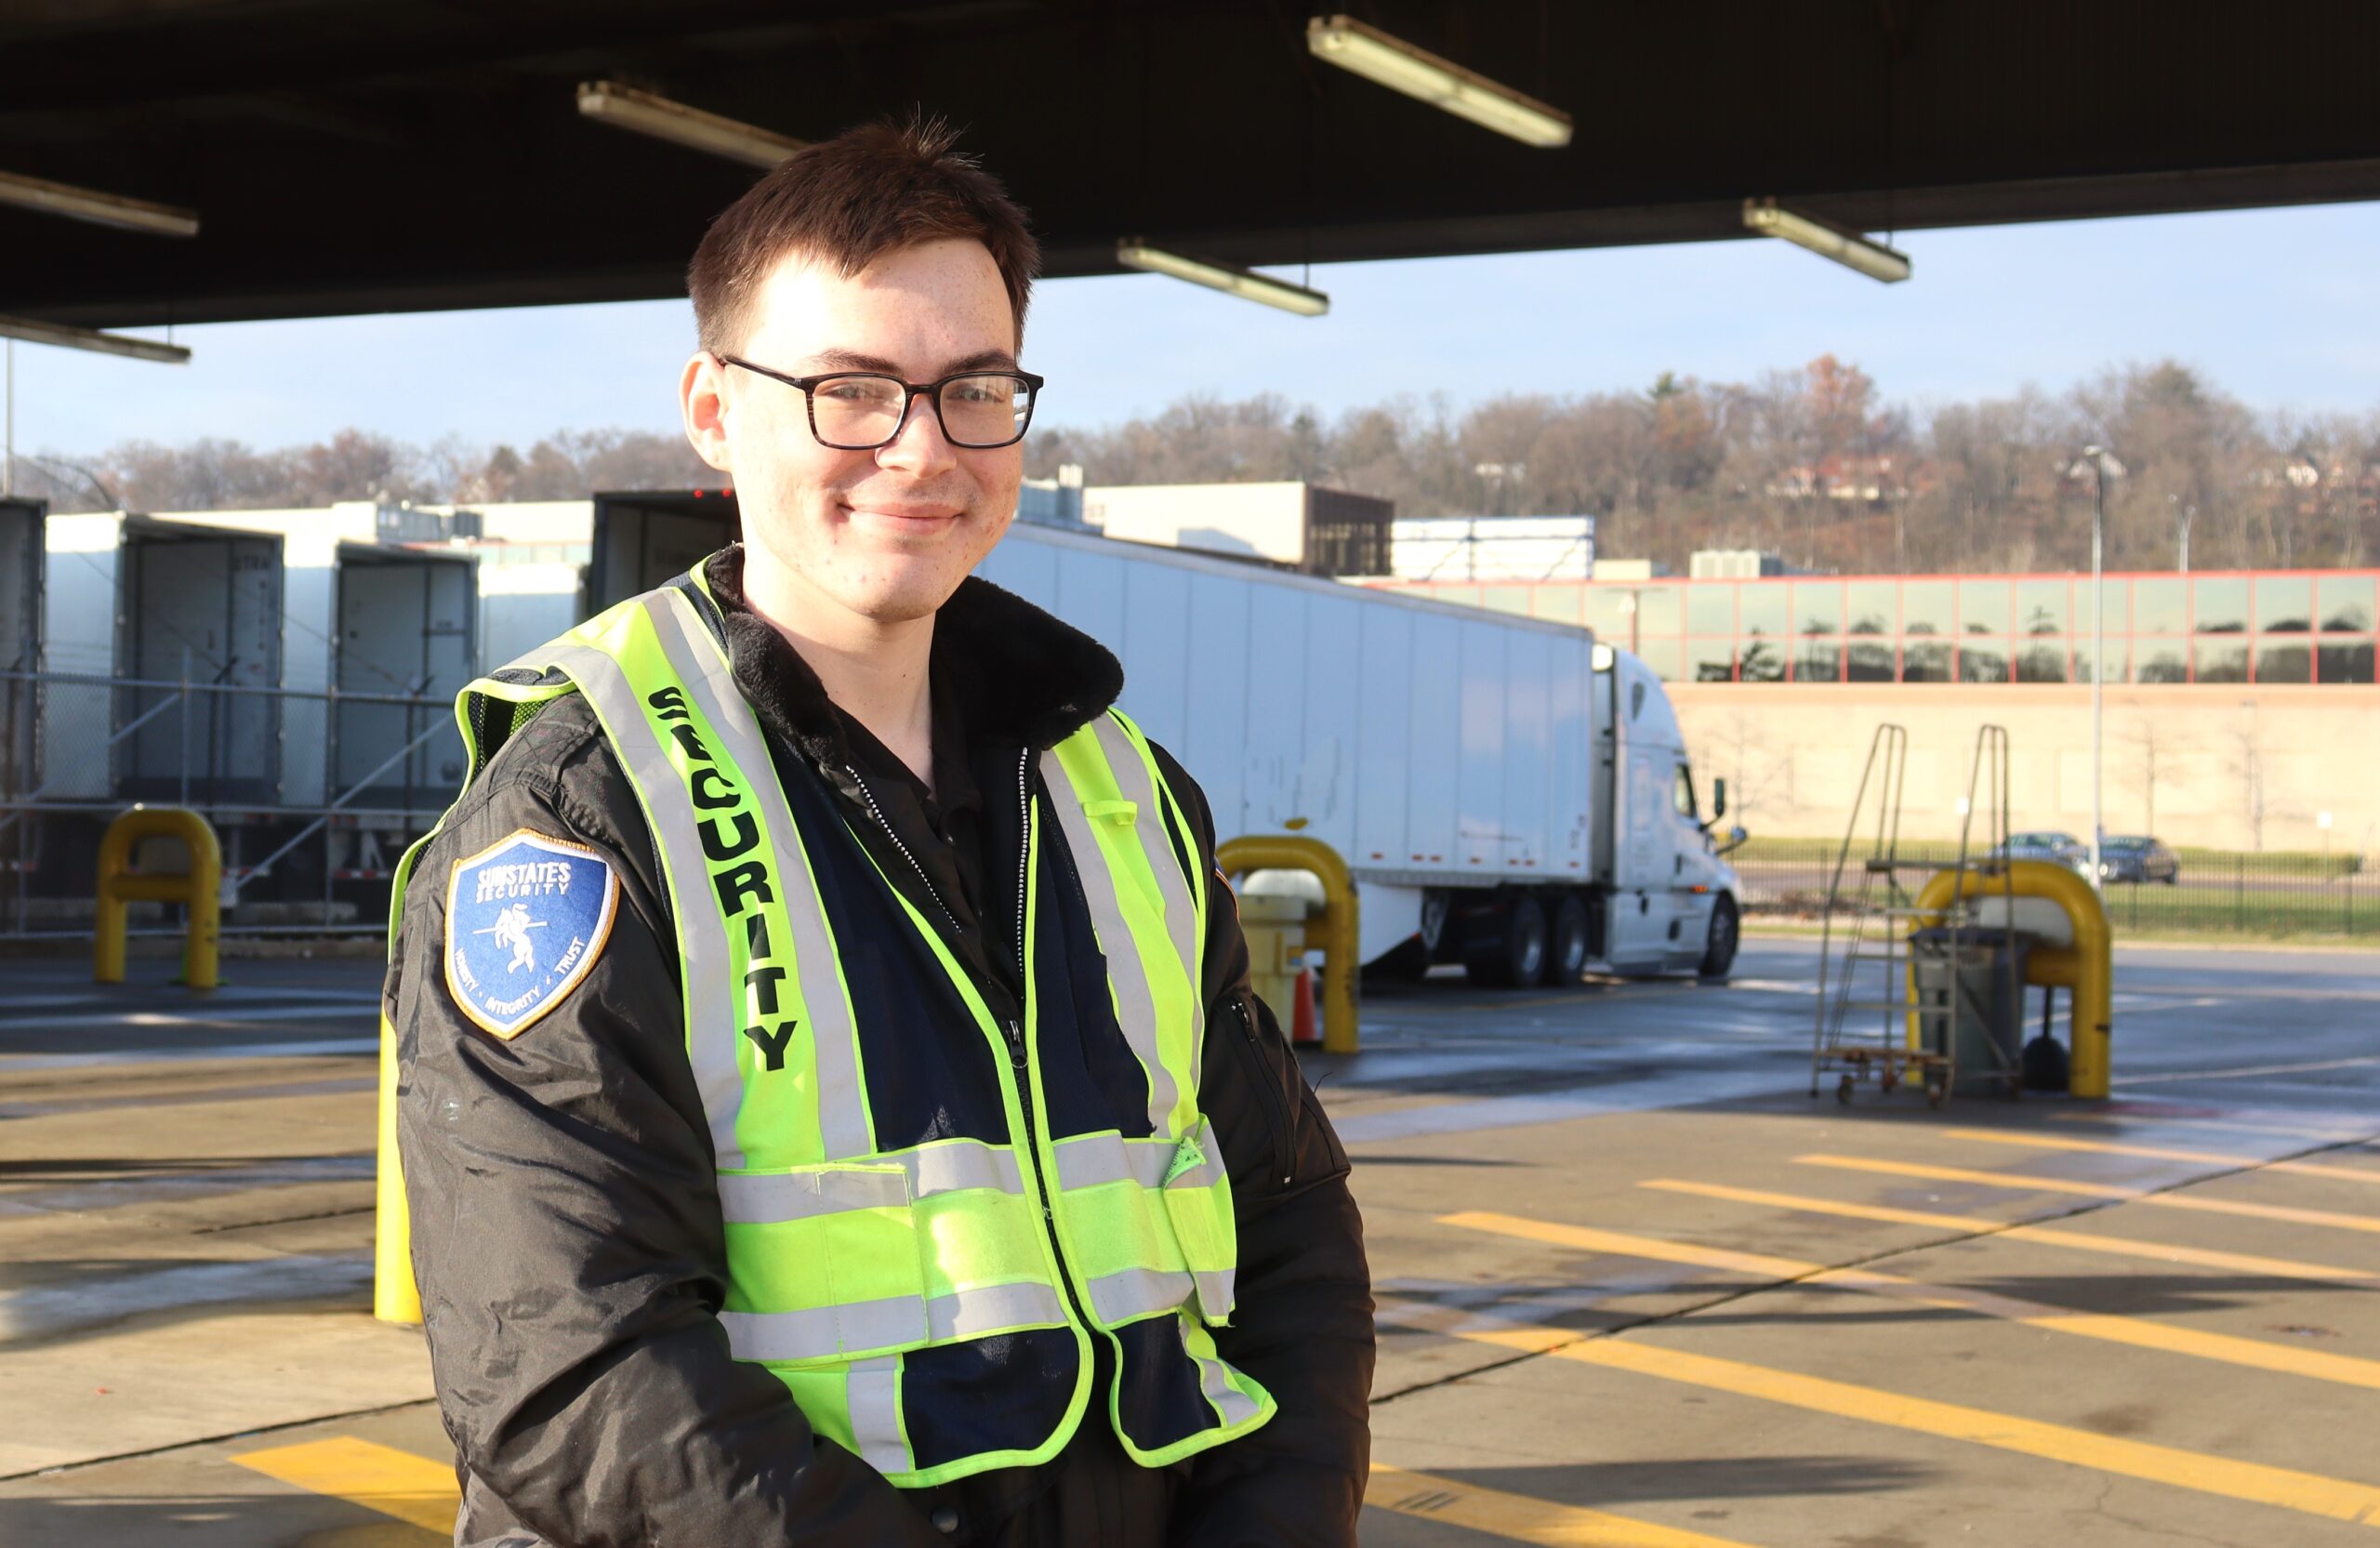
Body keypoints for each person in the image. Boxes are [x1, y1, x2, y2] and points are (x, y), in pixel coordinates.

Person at [386, 115, 1374, 1547]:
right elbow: (566, 1361)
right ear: (716, 412)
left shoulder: (1122, 788)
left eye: (974, 386)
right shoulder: (579, 814)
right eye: (851, 389)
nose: (920, 448)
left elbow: (1289, 1225)